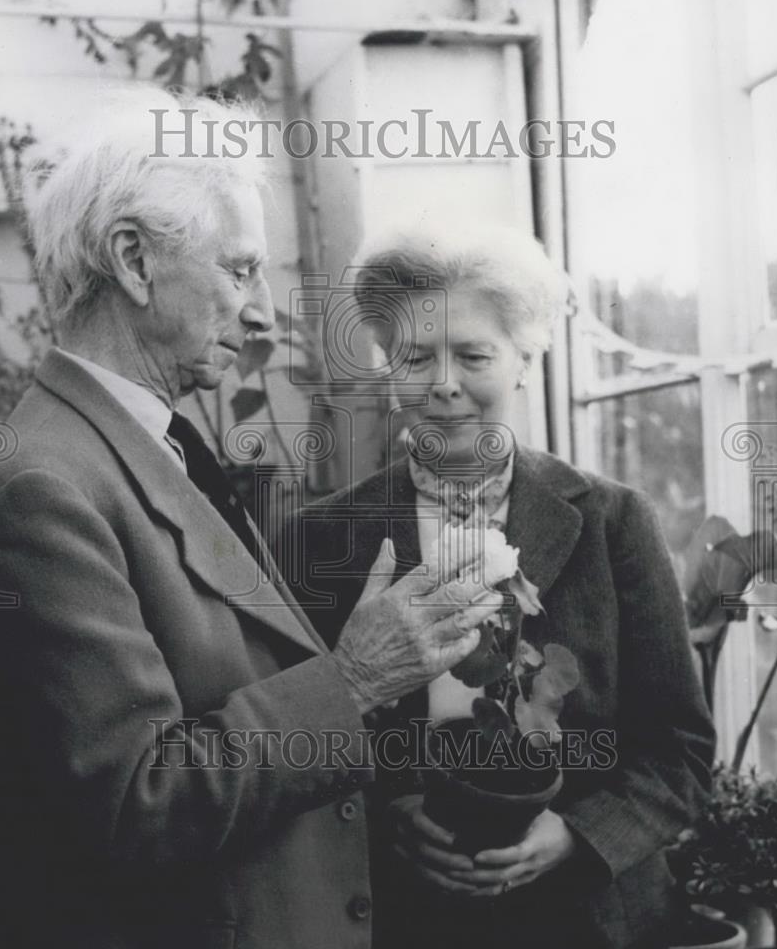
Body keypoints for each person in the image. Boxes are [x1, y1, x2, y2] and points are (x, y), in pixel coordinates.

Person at [0, 88, 490, 949]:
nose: (262, 312)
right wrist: (353, 680)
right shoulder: (44, 483)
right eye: (240, 269)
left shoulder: (148, 443)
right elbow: (141, 798)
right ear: (132, 260)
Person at [281, 226, 716, 949]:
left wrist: (577, 837)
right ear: (390, 372)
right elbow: (293, 744)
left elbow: (680, 749)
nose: (444, 382)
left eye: (474, 354)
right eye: (416, 357)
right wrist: (387, 814)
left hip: (593, 919)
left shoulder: (613, 523)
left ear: (524, 360)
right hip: (400, 918)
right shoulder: (320, 539)